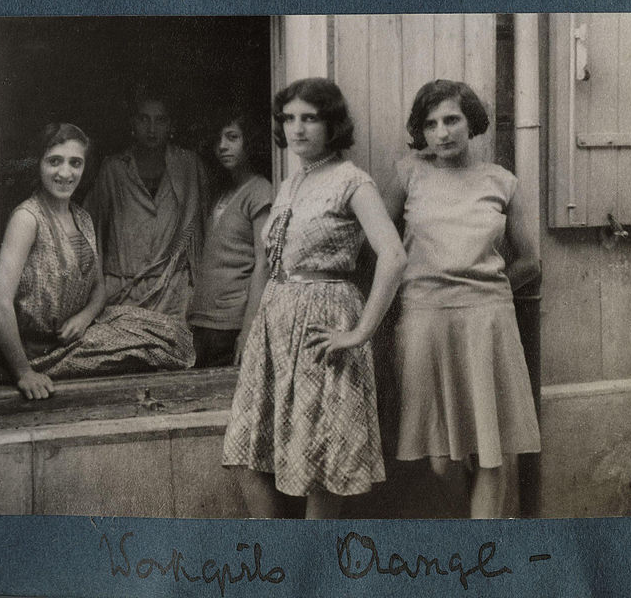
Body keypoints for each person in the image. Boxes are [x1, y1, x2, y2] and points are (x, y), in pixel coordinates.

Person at [222, 78, 407, 519]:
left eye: (310, 118)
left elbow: (394, 257)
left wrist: (360, 332)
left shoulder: (351, 181)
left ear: (332, 124)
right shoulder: (290, 183)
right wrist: (252, 329)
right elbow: (270, 260)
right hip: (276, 323)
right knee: (250, 449)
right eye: (289, 118)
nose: (297, 129)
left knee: (323, 452)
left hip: (324, 321)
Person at [386, 79, 541, 518]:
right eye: (431, 124)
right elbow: (376, 244)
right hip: (424, 318)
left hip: (486, 322)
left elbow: (531, 260)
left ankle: (481, 551)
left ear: (470, 121)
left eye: (452, 119)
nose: (443, 132)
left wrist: (485, 289)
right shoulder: (407, 175)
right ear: (421, 131)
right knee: (440, 461)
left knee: (492, 450)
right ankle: (464, 526)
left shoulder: (502, 182)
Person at [0, 123, 195, 400]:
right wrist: (24, 372)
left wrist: (84, 318)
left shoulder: (82, 218)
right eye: (54, 161)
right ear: (38, 164)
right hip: (43, 353)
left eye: (75, 163)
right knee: (153, 347)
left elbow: (99, 291)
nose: (65, 173)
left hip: (79, 334)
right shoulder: (28, 218)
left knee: (171, 333)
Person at [84, 88, 207, 318]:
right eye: (144, 119)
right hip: (122, 291)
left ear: (171, 125)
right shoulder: (114, 169)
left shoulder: (188, 165)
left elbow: (202, 229)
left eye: (160, 120)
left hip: (173, 293)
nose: (152, 129)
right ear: (133, 122)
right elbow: (92, 230)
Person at [188, 110, 272, 367]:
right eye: (218, 140)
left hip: (231, 323)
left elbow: (264, 264)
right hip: (202, 321)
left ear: (251, 142)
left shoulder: (260, 191)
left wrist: (248, 333)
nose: (222, 146)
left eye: (232, 137)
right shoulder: (222, 191)